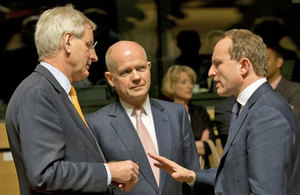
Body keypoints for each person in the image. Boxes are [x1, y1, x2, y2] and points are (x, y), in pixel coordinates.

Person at [5, 4, 139, 195]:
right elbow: (45, 174)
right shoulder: (37, 93)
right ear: (67, 41)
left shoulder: (52, 90)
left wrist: (108, 176)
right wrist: (108, 172)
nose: (94, 56)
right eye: (89, 45)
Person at [149, 29, 300, 194]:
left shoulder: (266, 114)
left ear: (243, 66)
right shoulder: (252, 106)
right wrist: (192, 175)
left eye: (217, 63)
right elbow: (237, 175)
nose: (210, 72)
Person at [86, 40, 200, 195]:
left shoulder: (176, 114)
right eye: (126, 71)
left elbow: (193, 175)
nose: (136, 77)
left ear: (149, 69)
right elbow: (96, 185)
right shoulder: (96, 124)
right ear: (110, 79)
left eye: (141, 68)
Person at [161, 65, 219, 169]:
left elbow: (210, 146)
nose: (190, 86)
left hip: (200, 172)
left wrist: (183, 148)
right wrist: (199, 143)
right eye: (184, 82)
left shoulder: (200, 112)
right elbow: (167, 150)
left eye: (191, 82)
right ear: (172, 86)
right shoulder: (163, 113)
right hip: (173, 173)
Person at [266, 45, 300, 121]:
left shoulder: (295, 90)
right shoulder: (252, 89)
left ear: (279, 62)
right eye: (259, 60)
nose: (262, 64)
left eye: (266, 59)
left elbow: (291, 123)